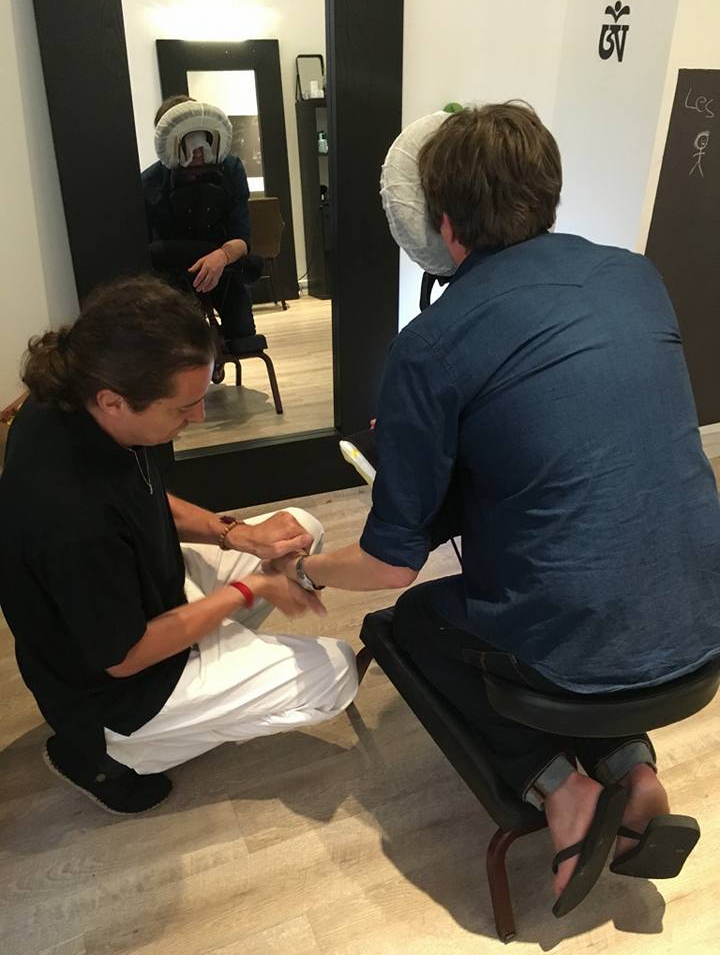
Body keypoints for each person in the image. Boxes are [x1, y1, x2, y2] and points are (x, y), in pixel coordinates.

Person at [265, 103, 720, 913]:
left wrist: (309, 569)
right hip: (702, 624)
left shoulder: (431, 345)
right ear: (547, 189)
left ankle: (561, 791)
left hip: (584, 650)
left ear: (441, 223)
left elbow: (391, 564)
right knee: (590, 601)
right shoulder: (635, 276)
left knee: (413, 622)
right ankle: (632, 767)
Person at [0, 276, 356, 815]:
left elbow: (139, 496)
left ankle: (214, 661)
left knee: (298, 529)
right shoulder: (72, 518)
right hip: (115, 690)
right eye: (184, 407)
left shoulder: (73, 396)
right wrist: (248, 590)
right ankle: (113, 756)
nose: (199, 417)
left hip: (144, 594)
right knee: (336, 673)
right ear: (114, 401)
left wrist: (233, 533)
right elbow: (124, 658)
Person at [141, 95, 257, 343]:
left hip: (226, 267)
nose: (197, 152)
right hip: (172, 273)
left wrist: (221, 257)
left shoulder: (231, 169)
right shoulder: (149, 184)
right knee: (182, 340)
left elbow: (242, 237)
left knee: (243, 335)